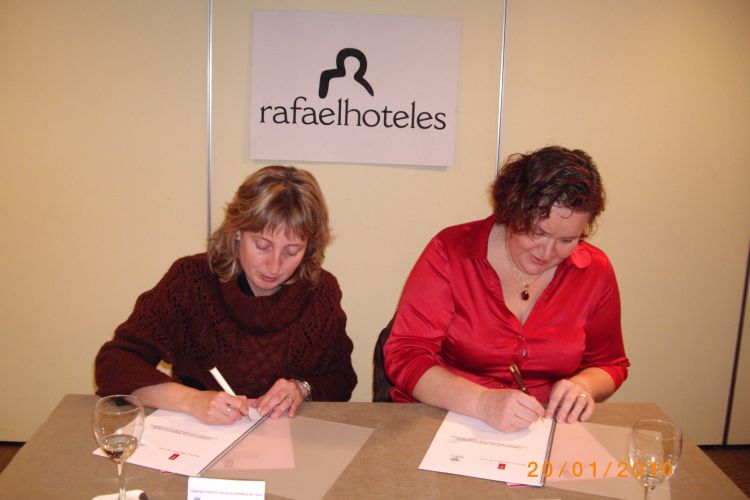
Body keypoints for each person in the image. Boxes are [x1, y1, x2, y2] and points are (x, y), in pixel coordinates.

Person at [384, 146, 629, 432]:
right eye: (537, 232)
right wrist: (482, 403)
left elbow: (610, 363)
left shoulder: (594, 270)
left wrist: (584, 385)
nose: (547, 252)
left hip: (543, 428)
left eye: (567, 240)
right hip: (448, 418)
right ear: (512, 212)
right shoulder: (452, 252)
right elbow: (405, 355)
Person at [95, 165, 357, 424]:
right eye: (262, 246)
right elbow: (114, 363)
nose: (274, 266)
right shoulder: (191, 280)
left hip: (286, 438)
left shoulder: (320, 290)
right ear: (237, 231)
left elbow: (341, 379)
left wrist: (302, 389)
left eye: (292, 251)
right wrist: (191, 400)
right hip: (197, 433)